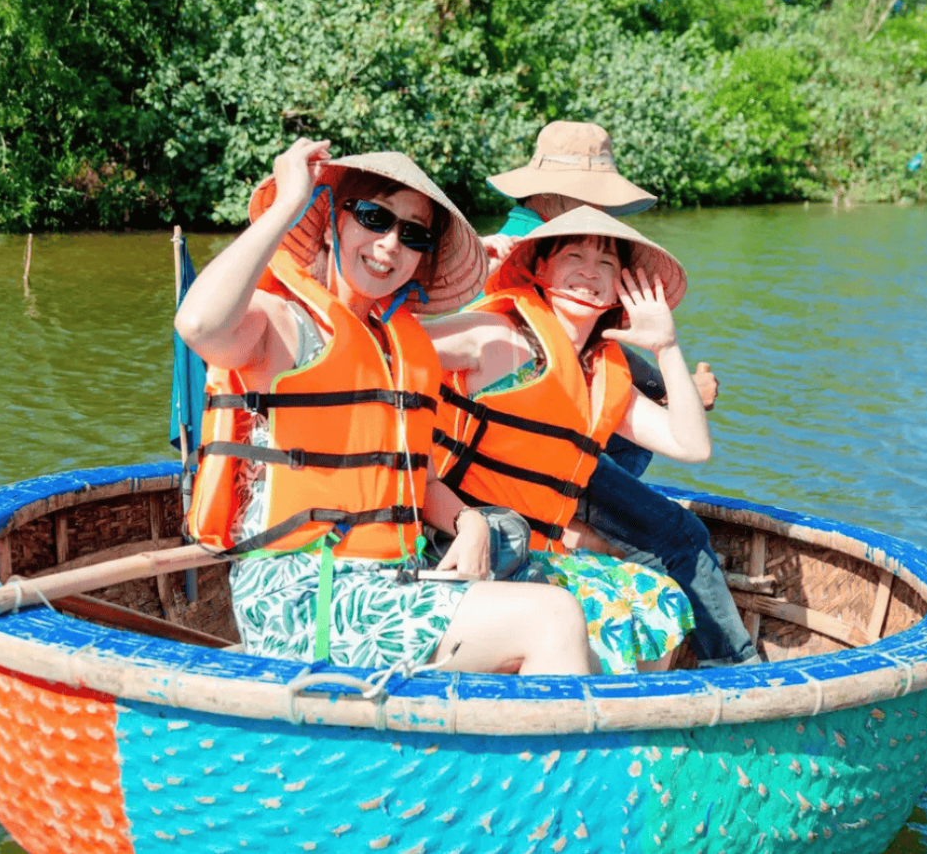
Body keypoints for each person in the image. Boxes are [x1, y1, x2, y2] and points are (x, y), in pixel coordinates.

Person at [174, 138, 591, 675]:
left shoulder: (401, 347)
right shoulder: (282, 324)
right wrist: (288, 203)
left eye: (412, 234)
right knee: (552, 619)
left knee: (565, 612)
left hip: (388, 578)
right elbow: (199, 324)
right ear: (332, 221)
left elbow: (416, 479)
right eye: (374, 217)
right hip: (303, 591)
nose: (390, 244)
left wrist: (469, 522)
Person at [482, 121, 755, 666]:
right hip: (516, 455)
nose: (602, 221)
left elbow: (596, 355)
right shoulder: (517, 250)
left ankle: (585, 532)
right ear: (561, 199)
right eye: (595, 201)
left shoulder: (543, 238)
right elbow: (538, 344)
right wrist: (680, 391)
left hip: (550, 444)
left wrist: (668, 362)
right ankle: (737, 668)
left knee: (639, 439)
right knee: (681, 536)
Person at [426, 207, 710, 674]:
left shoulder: (601, 371)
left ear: (620, 284)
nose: (589, 273)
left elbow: (693, 446)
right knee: (593, 615)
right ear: (540, 268)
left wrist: (667, 347)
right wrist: (454, 283)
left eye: (606, 265)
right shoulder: (497, 336)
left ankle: (617, 721)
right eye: (573, 255)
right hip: (455, 542)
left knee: (659, 599)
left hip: (534, 553)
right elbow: (387, 347)